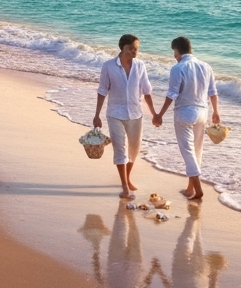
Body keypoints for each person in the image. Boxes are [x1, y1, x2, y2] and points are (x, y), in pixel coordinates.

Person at [153, 36, 220, 201]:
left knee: (188, 152)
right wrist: (216, 112)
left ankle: (198, 190)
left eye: (174, 52)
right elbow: (213, 92)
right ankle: (190, 189)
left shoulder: (178, 68)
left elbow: (172, 94)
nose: (174, 55)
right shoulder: (206, 66)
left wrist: (160, 115)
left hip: (184, 113)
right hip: (202, 113)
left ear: (177, 51)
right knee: (197, 151)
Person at [93, 34, 157, 199]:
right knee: (120, 150)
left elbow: (146, 91)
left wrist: (154, 113)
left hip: (136, 114)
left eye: (137, 48)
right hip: (115, 114)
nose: (135, 51)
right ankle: (125, 187)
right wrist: (97, 115)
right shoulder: (109, 66)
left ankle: (127, 178)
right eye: (132, 48)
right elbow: (102, 91)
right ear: (123, 48)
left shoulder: (140, 66)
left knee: (134, 150)